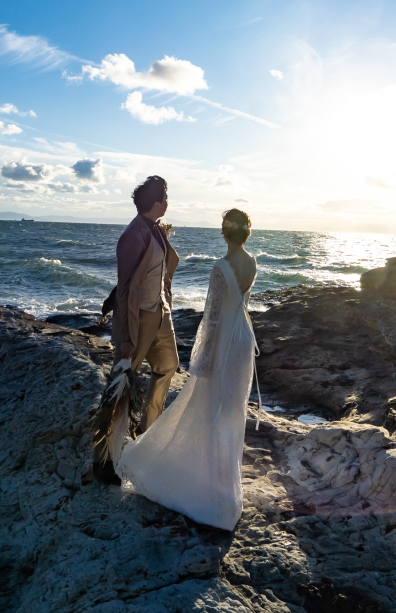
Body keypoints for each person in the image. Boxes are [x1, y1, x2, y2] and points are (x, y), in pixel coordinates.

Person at [118, 208, 259, 530]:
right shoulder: (252, 262)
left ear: (224, 232)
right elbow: (242, 306)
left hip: (223, 345)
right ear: (246, 232)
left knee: (208, 407)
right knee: (231, 411)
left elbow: (212, 318)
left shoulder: (220, 267)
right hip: (242, 342)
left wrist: (202, 360)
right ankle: (225, 487)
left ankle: (203, 485)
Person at [93, 175, 180, 484]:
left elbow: (165, 266)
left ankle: (146, 433)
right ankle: (104, 460)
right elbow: (126, 288)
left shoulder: (156, 229)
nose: (168, 203)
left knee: (168, 365)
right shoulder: (132, 236)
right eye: (165, 198)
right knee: (121, 384)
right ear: (156, 203)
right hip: (138, 318)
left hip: (160, 312)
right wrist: (128, 336)